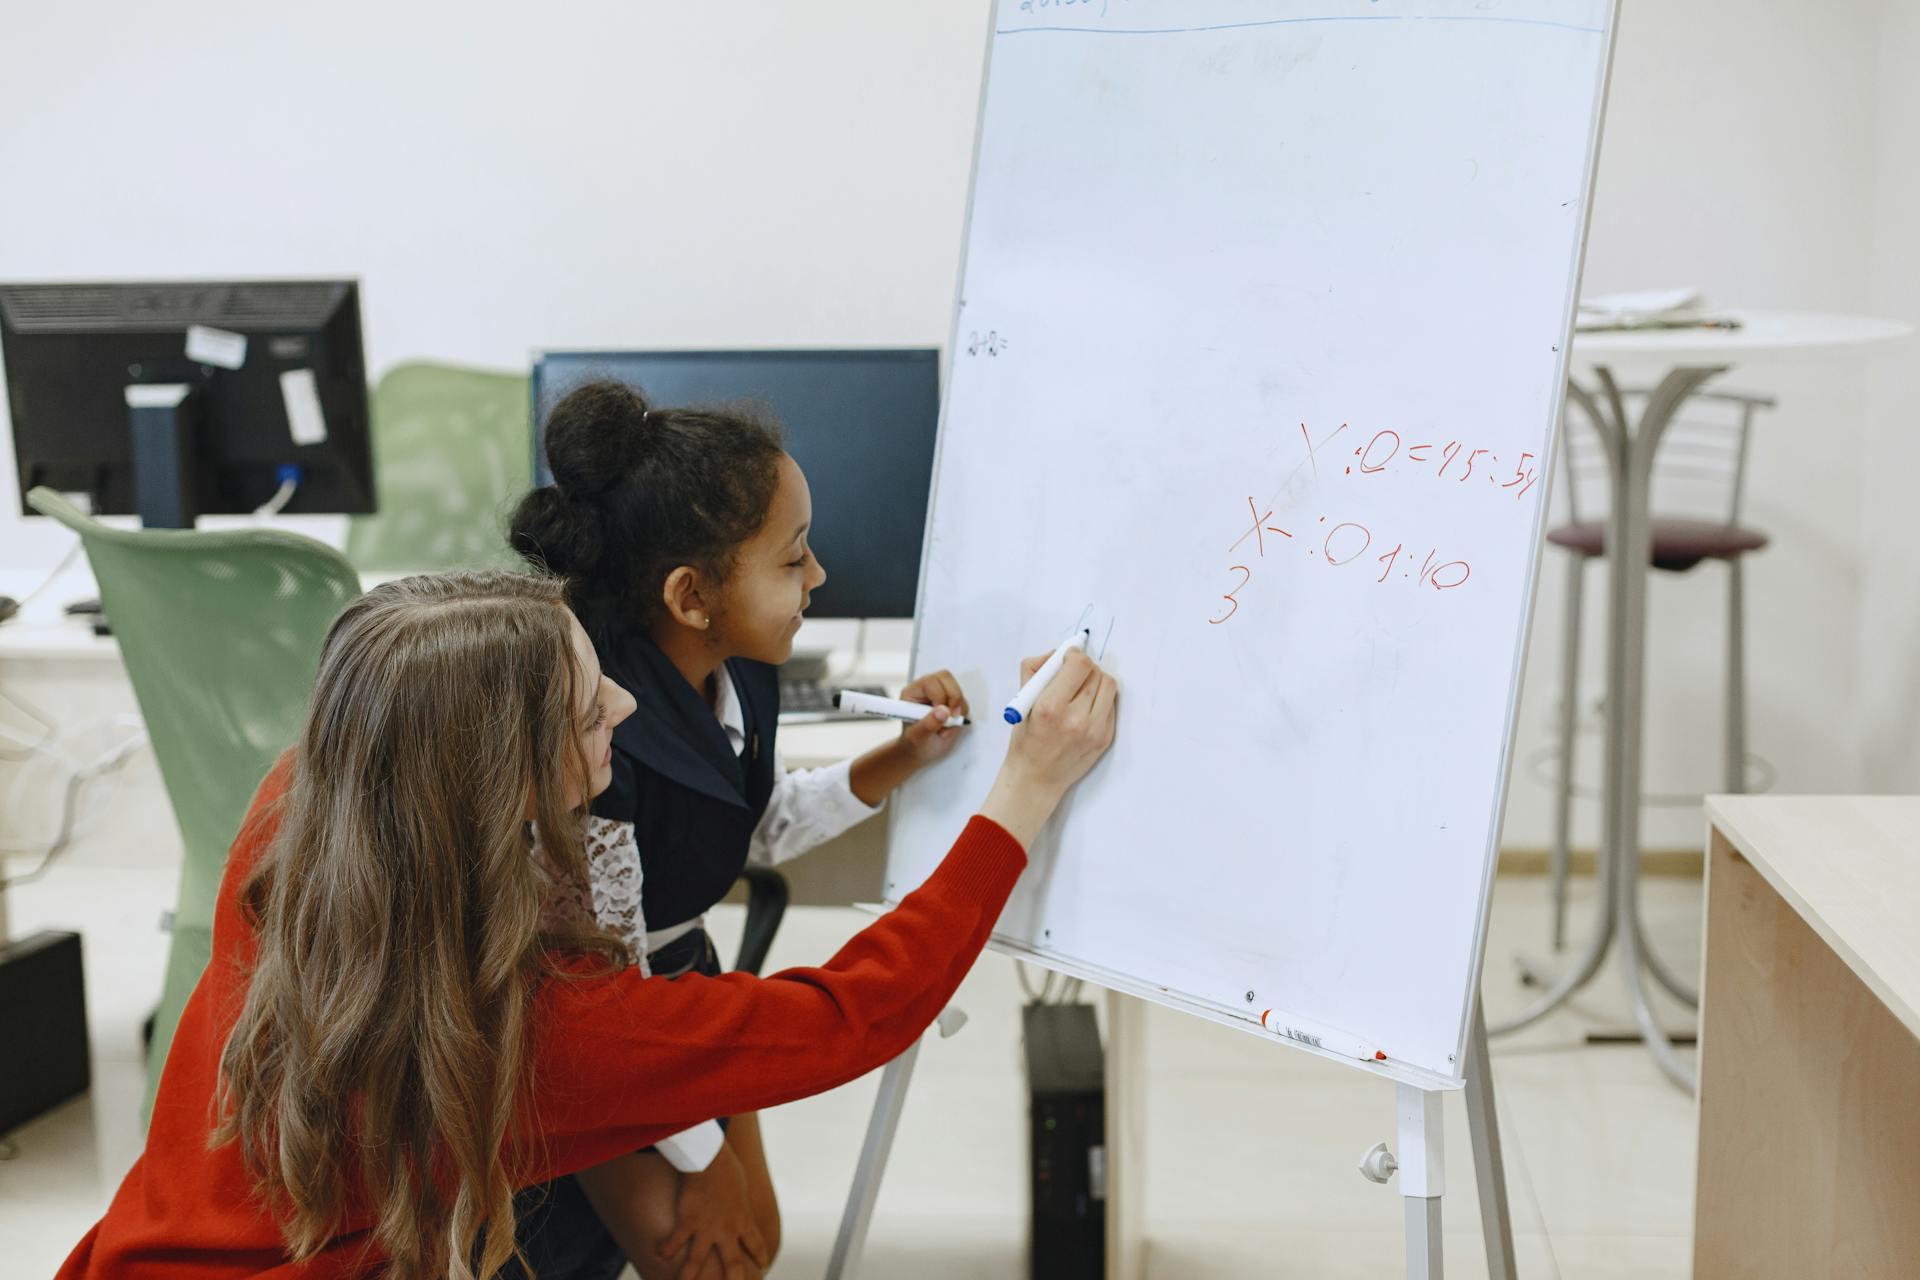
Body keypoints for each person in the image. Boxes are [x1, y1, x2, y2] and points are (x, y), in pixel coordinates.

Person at [57, 570, 1117, 1280]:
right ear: (494, 776)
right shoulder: (527, 1029)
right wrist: (1023, 789)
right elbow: (852, 1011)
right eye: (583, 706)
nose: (622, 704)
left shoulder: (305, 813)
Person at [508, 380, 975, 1276]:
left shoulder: (742, 668)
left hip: (674, 987)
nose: (820, 577)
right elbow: (605, 1003)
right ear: (692, 595)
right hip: (572, 1029)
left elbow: (752, 828)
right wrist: (706, 1152)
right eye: (794, 559)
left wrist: (903, 755)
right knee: (707, 1257)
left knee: (749, 1246)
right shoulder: (596, 740)